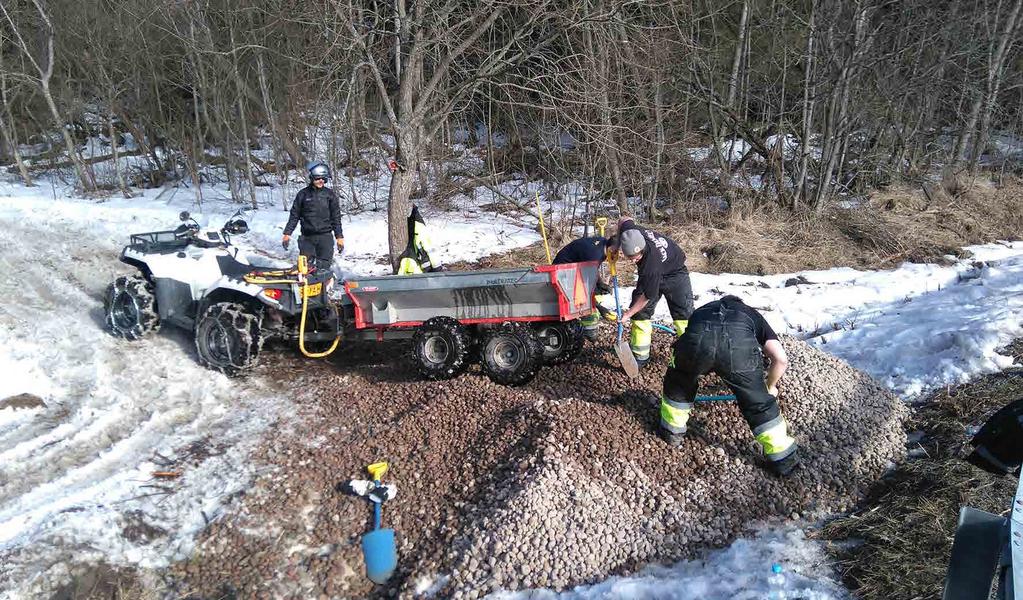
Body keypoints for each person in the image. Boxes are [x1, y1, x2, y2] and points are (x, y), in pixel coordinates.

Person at [660, 295, 799, 476]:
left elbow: (686, 339)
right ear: (741, 303)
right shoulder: (751, 314)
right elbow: (781, 359)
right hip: (738, 352)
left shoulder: (702, 310)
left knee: (679, 381)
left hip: (697, 344)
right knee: (758, 403)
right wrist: (769, 386)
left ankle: (672, 431)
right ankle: (782, 458)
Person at [609, 217, 694, 366]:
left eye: (637, 258)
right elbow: (624, 220)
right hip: (653, 272)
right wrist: (615, 245)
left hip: (675, 273)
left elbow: (648, 296)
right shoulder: (630, 232)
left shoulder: (650, 265)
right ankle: (640, 356)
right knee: (640, 313)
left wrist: (627, 314)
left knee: (684, 316)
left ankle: (692, 357)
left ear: (642, 249)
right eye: (631, 258)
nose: (634, 261)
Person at [281, 163, 344, 271]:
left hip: (325, 237)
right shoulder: (303, 195)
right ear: (312, 178)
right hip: (307, 238)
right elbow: (294, 216)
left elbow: (336, 217)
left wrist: (339, 237)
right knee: (306, 268)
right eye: (318, 178)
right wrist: (287, 234)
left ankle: (324, 287)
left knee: (324, 268)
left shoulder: (329, 195)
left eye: (323, 179)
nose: (321, 181)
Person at [552, 235, 612, 340]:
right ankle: (588, 332)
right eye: (618, 253)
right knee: (583, 297)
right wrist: (600, 307)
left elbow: (593, 270)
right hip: (563, 271)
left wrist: (600, 283)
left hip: (575, 268)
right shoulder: (595, 254)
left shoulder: (603, 243)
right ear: (611, 249)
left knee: (594, 291)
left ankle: (589, 329)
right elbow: (587, 287)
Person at [397, 205, 440, 275]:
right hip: (420, 268)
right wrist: (437, 269)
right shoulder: (420, 229)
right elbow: (430, 251)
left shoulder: (419, 229)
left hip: (417, 265)